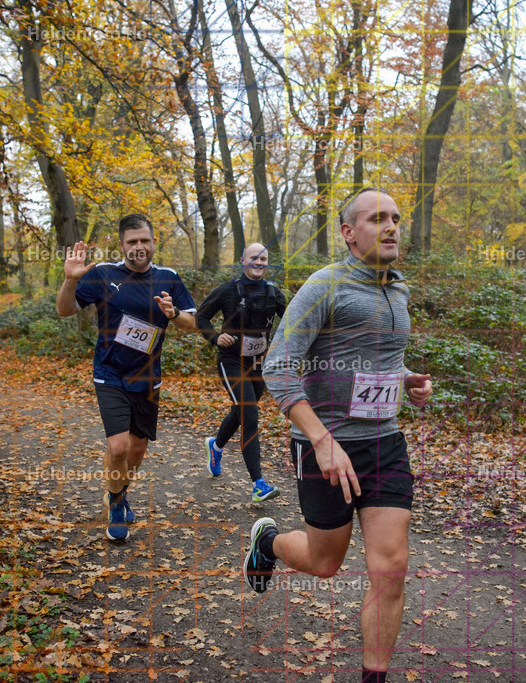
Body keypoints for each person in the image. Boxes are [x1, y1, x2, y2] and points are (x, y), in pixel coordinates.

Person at [246, 189, 432, 683]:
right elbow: (279, 366)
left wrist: (405, 378)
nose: (392, 226)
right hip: (323, 444)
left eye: (395, 218)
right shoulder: (324, 286)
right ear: (349, 233)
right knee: (325, 563)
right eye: (377, 219)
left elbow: (379, 360)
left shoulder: (399, 289)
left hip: (384, 442)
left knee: (390, 566)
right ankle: (269, 541)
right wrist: (322, 438)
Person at [56, 213, 197, 542]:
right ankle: (117, 505)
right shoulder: (103, 274)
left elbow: (192, 323)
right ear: (122, 245)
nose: (139, 247)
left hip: (148, 379)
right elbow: (64, 310)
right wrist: (70, 280)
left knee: (136, 450)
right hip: (110, 373)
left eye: (144, 241)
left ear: (153, 243)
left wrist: (174, 314)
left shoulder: (169, 278)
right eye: (132, 242)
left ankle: (117, 491)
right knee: (118, 446)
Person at [195, 243, 288, 502]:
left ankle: (216, 446)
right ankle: (258, 484)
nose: (259, 262)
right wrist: (215, 337)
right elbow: (200, 317)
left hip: (257, 365)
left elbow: (291, 323)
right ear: (243, 260)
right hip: (231, 362)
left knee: (242, 411)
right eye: (254, 258)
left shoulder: (274, 293)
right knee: (249, 412)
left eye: (264, 258)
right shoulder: (227, 290)